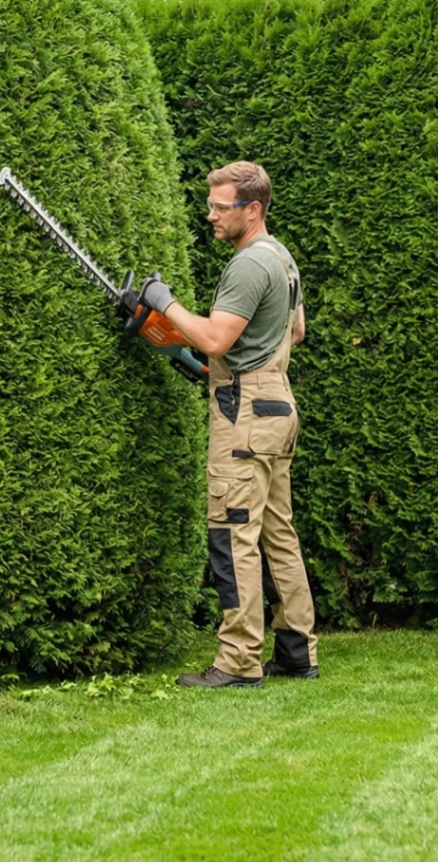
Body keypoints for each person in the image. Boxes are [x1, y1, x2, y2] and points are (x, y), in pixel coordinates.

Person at [131, 161, 318, 688]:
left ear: (251, 209)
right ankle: (297, 650)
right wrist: (219, 362)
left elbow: (215, 339)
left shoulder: (248, 265)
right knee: (278, 533)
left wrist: (164, 303)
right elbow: (295, 331)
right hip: (276, 404)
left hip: (245, 415)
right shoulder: (281, 257)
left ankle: (238, 661)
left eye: (220, 207)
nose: (210, 215)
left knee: (233, 532)